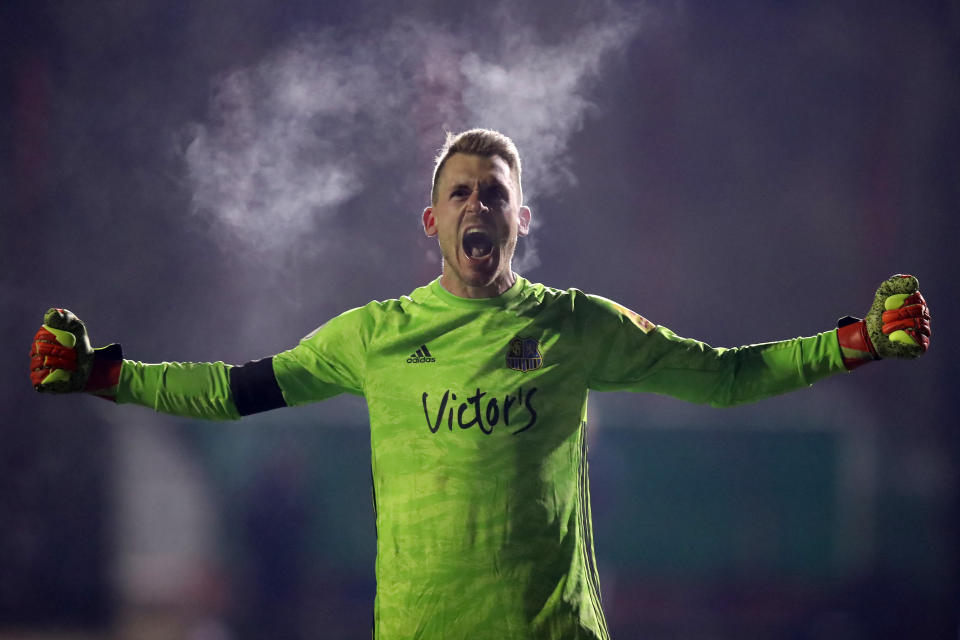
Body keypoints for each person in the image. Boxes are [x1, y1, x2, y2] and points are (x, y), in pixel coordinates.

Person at [30, 129, 931, 639]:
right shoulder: (376, 336)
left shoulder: (574, 325)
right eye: (460, 192)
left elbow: (727, 379)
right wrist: (104, 374)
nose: (476, 206)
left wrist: (854, 343)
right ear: (432, 220)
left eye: (493, 193)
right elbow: (234, 390)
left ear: (520, 218)